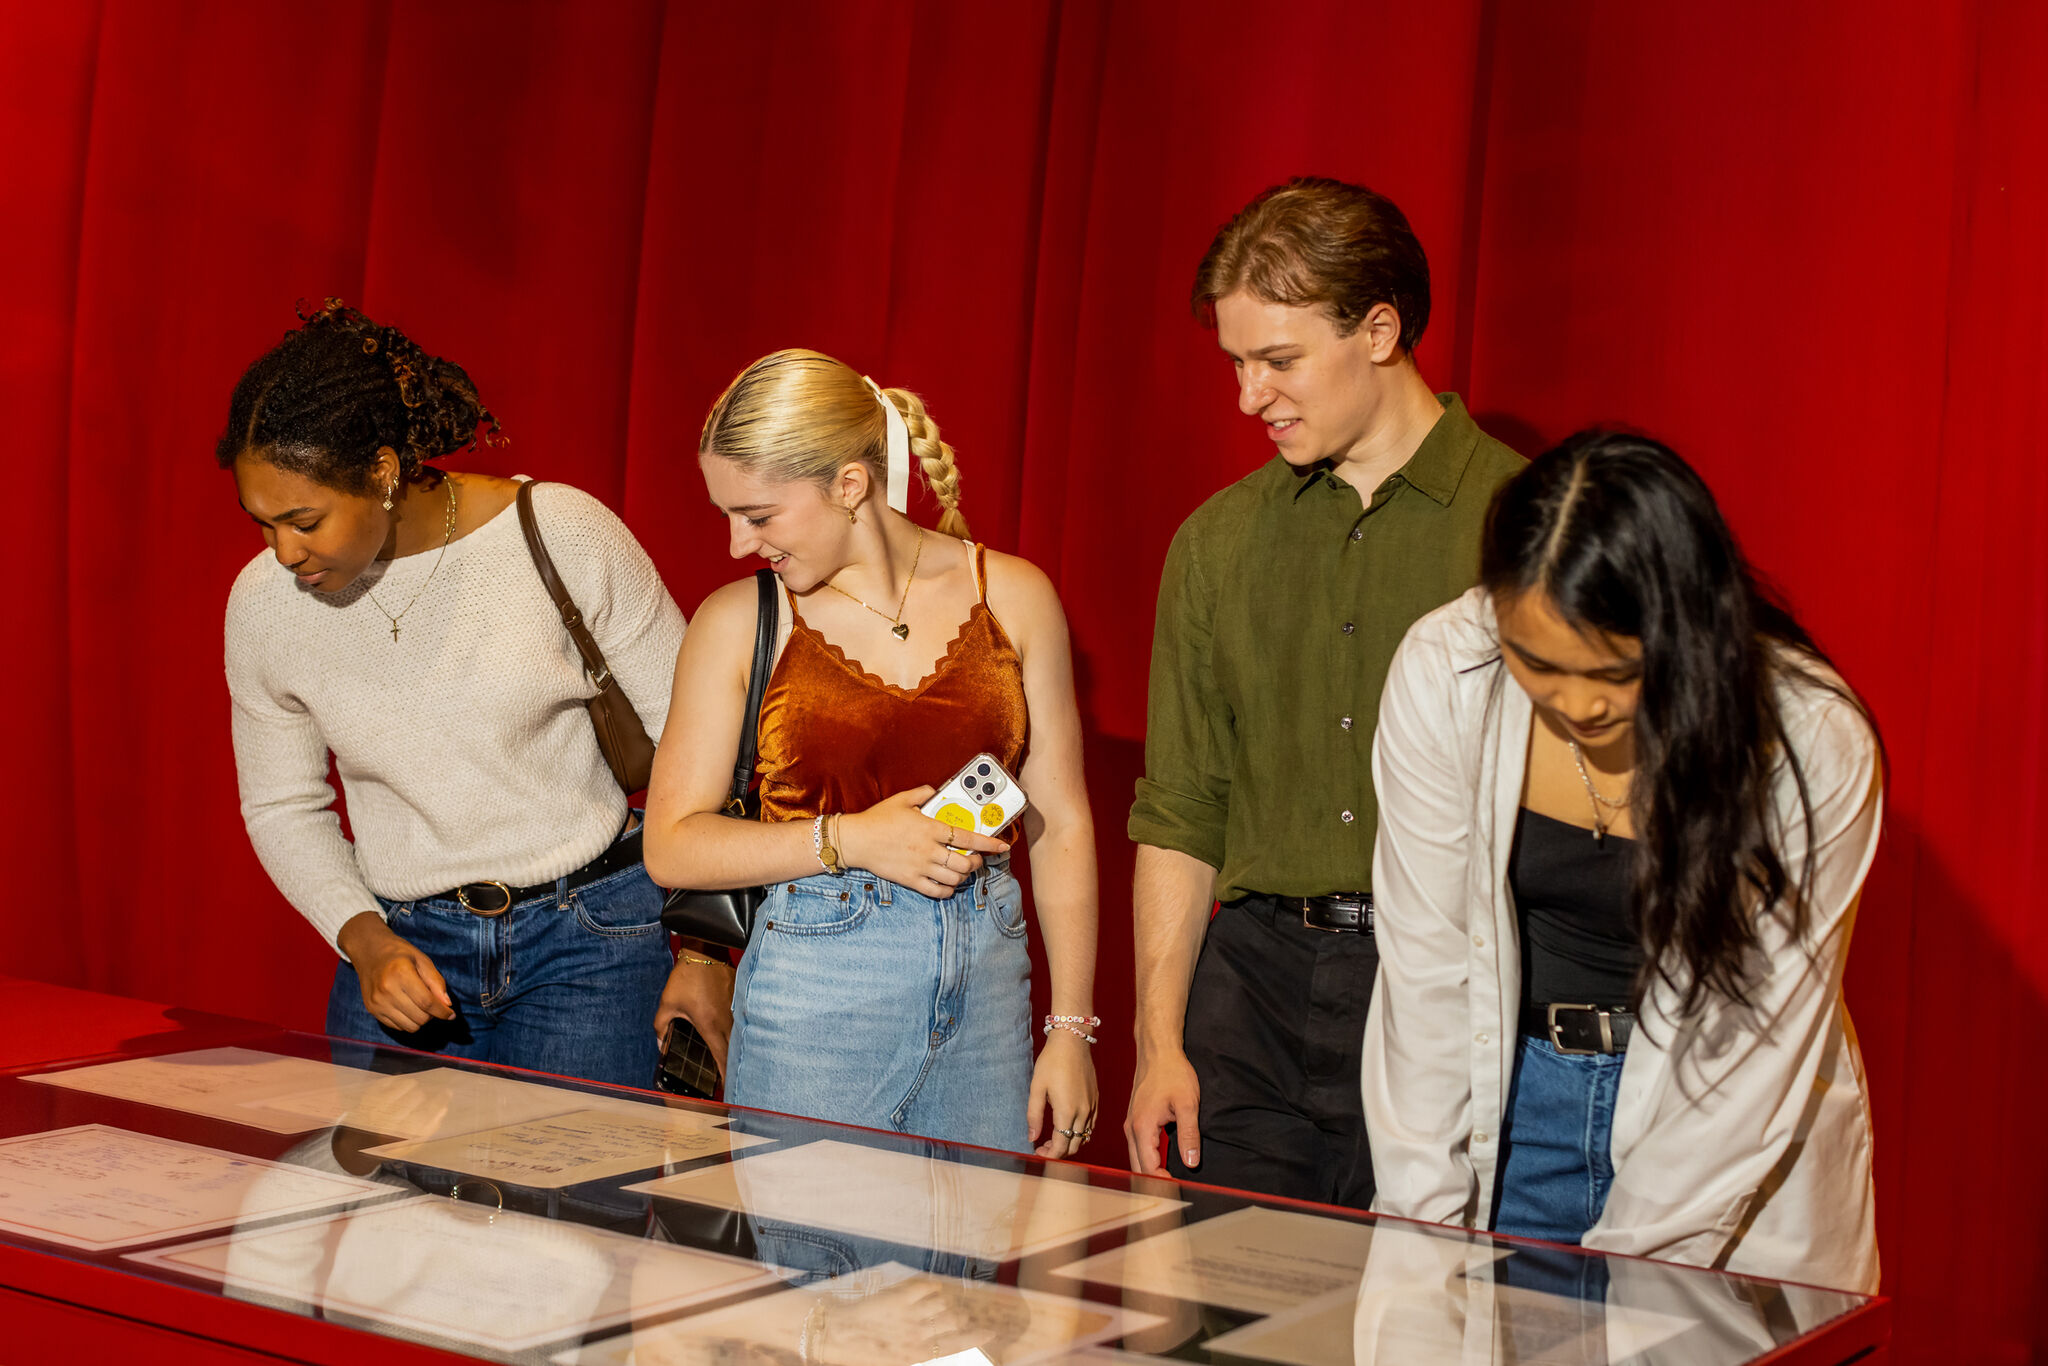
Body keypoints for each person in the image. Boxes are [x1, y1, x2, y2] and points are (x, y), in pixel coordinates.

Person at [1364, 432, 1882, 1292]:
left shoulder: (1808, 739)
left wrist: (1625, 1303)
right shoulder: (1444, 669)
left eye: (1614, 670)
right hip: (1516, 1112)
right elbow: (1425, 980)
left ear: (1684, 628)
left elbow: (1746, 1051)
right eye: (1537, 664)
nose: (1574, 704)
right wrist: (1422, 1251)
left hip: (1716, 1138)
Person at [1123, 177, 1524, 1204]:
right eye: (1235, 363)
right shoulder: (1213, 541)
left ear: (1379, 330)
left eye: (1277, 360)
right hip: (1246, 991)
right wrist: (1157, 1041)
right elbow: (1178, 813)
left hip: (1440, 982)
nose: (1247, 395)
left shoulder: (1526, 524)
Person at [219, 300, 713, 1089]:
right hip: (401, 945)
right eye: (261, 524)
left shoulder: (560, 533)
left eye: (303, 519)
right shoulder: (262, 606)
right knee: (383, 1207)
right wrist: (361, 936)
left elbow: (709, 753)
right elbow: (282, 806)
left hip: (592, 942)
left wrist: (710, 953)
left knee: (569, 1210)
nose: (283, 552)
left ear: (382, 470)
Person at [644, 349, 1099, 1157]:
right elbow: (671, 846)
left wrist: (1071, 1031)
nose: (736, 543)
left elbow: (1059, 822)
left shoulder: (1015, 595)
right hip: (815, 997)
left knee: (970, 1279)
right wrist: (848, 840)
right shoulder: (737, 621)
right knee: (812, 1275)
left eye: (758, 514)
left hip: (989, 998)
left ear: (849, 486)